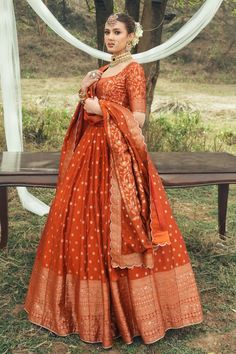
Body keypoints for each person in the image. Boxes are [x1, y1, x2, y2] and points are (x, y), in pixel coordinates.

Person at [24, 12, 203, 349]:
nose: (109, 37)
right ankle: (79, 308)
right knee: (81, 222)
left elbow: (137, 117)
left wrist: (102, 108)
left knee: (119, 227)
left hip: (117, 158)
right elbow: (89, 106)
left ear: (130, 36)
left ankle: (132, 311)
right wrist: (84, 89)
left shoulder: (133, 70)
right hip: (91, 155)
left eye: (117, 32)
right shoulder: (104, 69)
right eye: (107, 31)